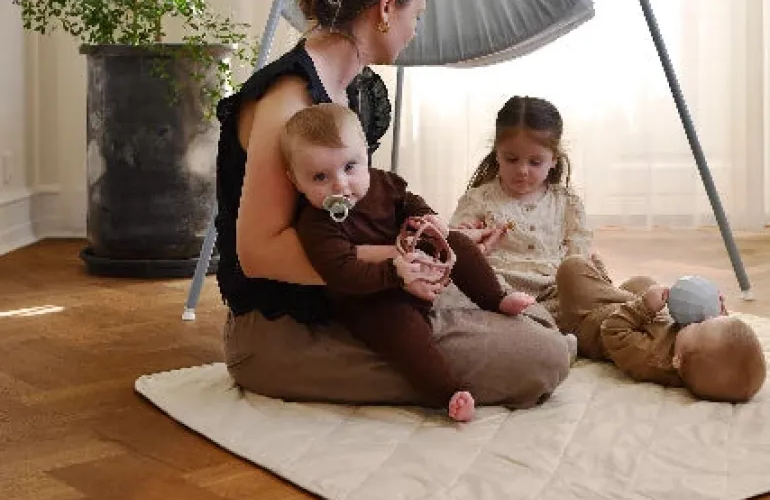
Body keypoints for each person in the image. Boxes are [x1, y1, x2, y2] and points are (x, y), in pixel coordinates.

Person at [215, 0, 571, 408]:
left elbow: (351, 215)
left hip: (358, 294)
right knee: (540, 357)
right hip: (283, 327)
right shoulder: (288, 102)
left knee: (523, 317)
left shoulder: (350, 87)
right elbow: (259, 255)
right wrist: (400, 260)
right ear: (386, 8)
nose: (414, 30)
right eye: (416, 14)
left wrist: (431, 239)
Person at [281, 104, 557, 421]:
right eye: (320, 177)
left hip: (412, 262)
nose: (340, 185)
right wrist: (395, 272)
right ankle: (447, 392)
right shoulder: (315, 225)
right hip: (370, 298)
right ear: (296, 181)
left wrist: (428, 217)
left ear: (366, 156)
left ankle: (495, 297)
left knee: (458, 242)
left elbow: (408, 201)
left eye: (350, 167)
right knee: (402, 332)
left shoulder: (383, 183)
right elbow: (341, 272)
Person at [449, 95, 593, 328]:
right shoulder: (479, 199)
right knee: (459, 297)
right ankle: (540, 330)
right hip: (500, 289)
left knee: (584, 285)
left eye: (535, 162)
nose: (523, 170)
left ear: (553, 160)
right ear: (497, 153)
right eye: (512, 159)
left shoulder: (568, 204)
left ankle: (542, 327)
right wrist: (463, 236)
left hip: (553, 291)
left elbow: (578, 258)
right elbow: (455, 249)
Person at [556, 256, 766, 400]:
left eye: (699, 326)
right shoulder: (696, 353)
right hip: (632, 311)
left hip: (591, 320)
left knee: (572, 267)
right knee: (643, 282)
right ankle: (605, 285)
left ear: (677, 360)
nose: (698, 322)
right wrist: (720, 310)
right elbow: (719, 340)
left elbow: (612, 331)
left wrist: (644, 307)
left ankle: (599, 284)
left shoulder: (651, 358)